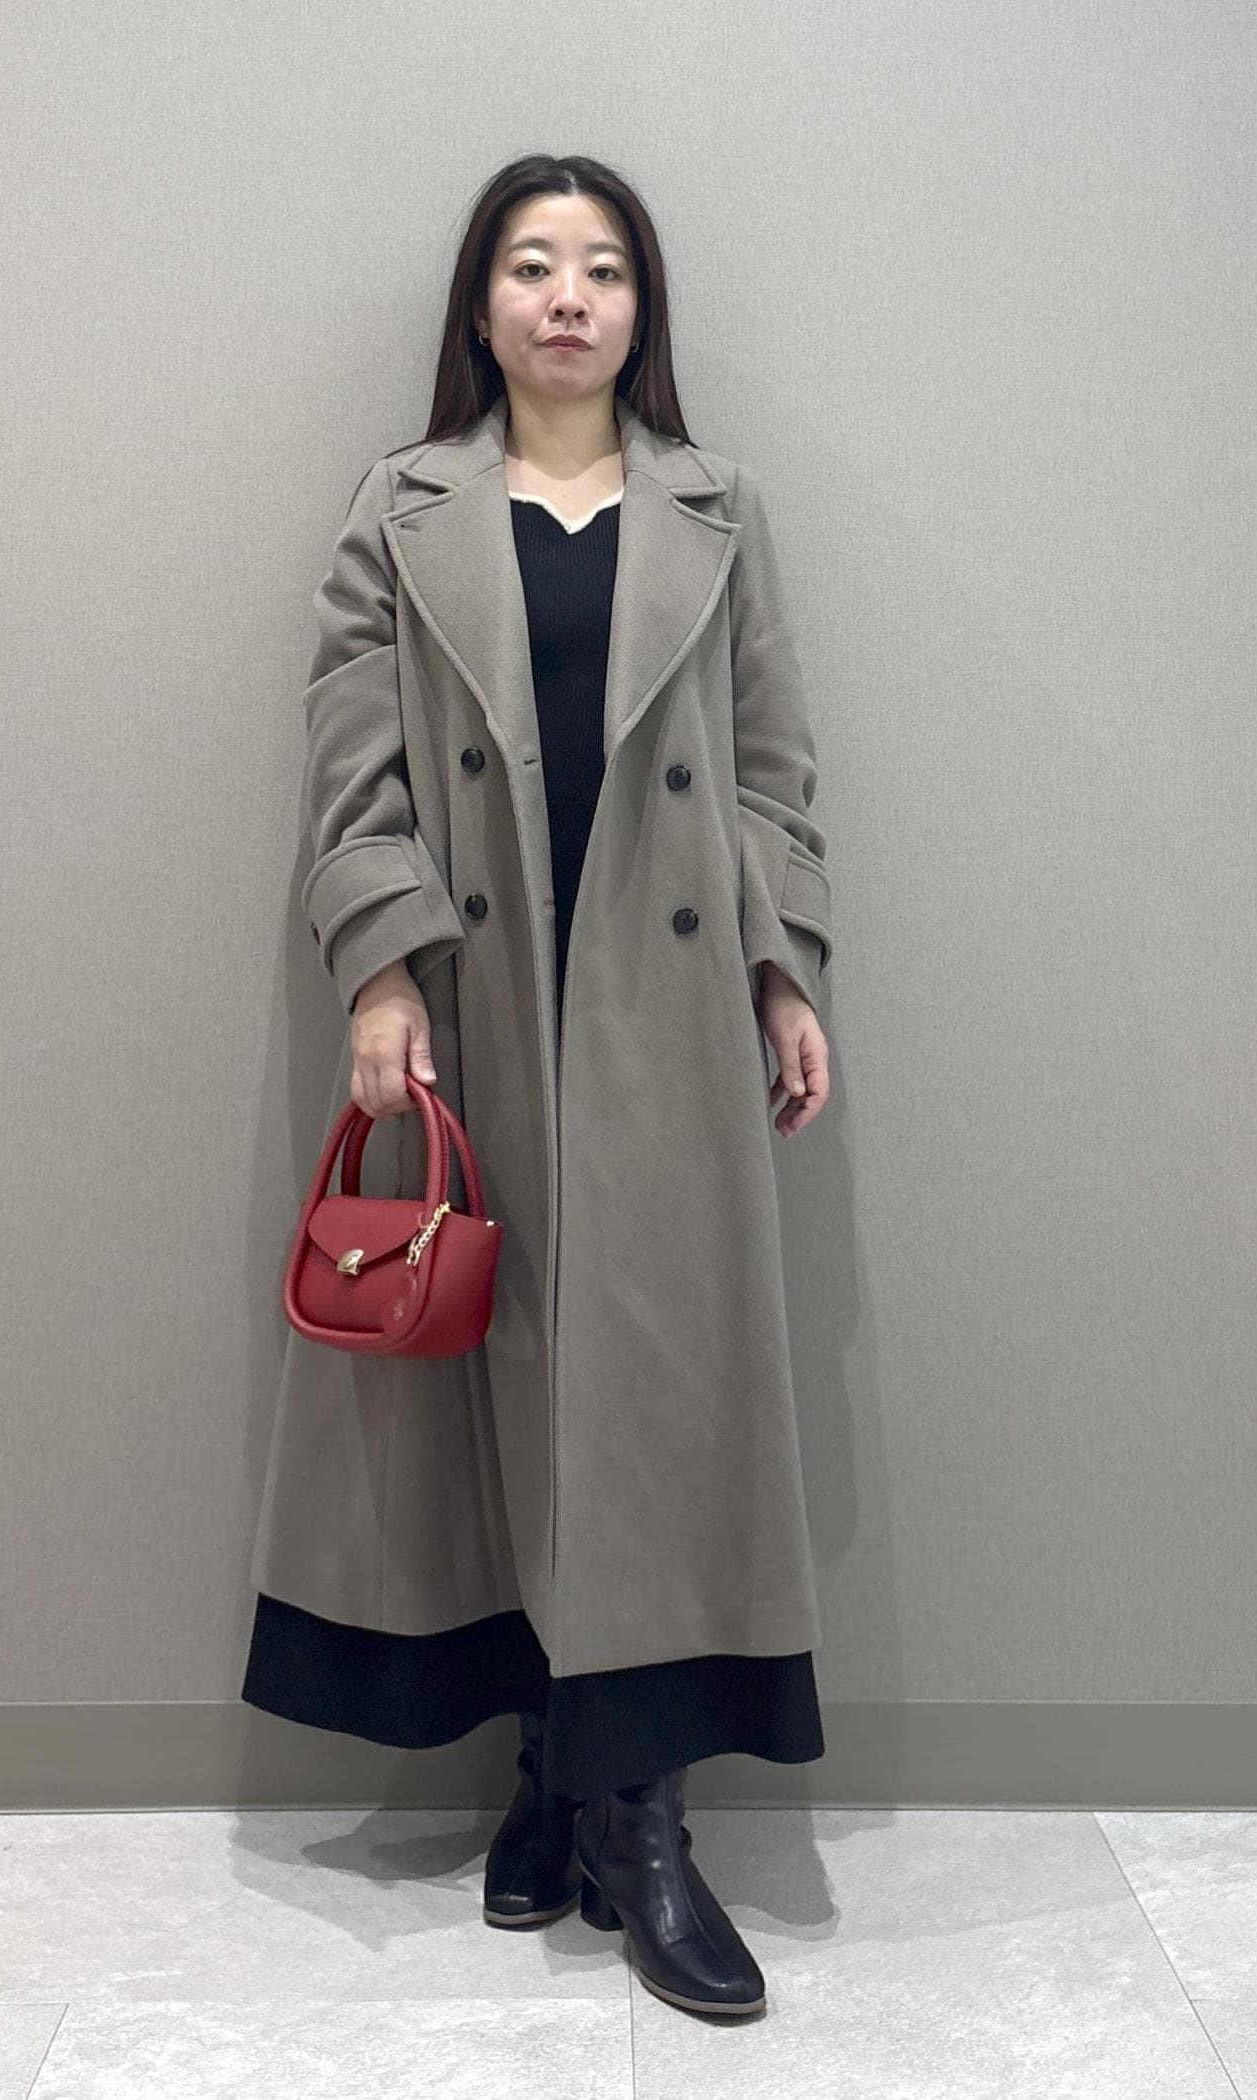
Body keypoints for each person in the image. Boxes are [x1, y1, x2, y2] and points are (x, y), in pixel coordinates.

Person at [241, 153, 835, 2022]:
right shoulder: (403, 508)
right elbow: (349, 762)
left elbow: (771, 768)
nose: (567, 297)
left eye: (601, 268)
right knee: (494, 1389)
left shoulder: (716, 507)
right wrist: (379, 968)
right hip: (478, 997)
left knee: (651, 1403)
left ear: (641, 309)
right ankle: (550, 1774)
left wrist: (783, 968)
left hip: (667, 1012)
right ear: (482, 303)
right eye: (530, 264)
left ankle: (636, 1817)